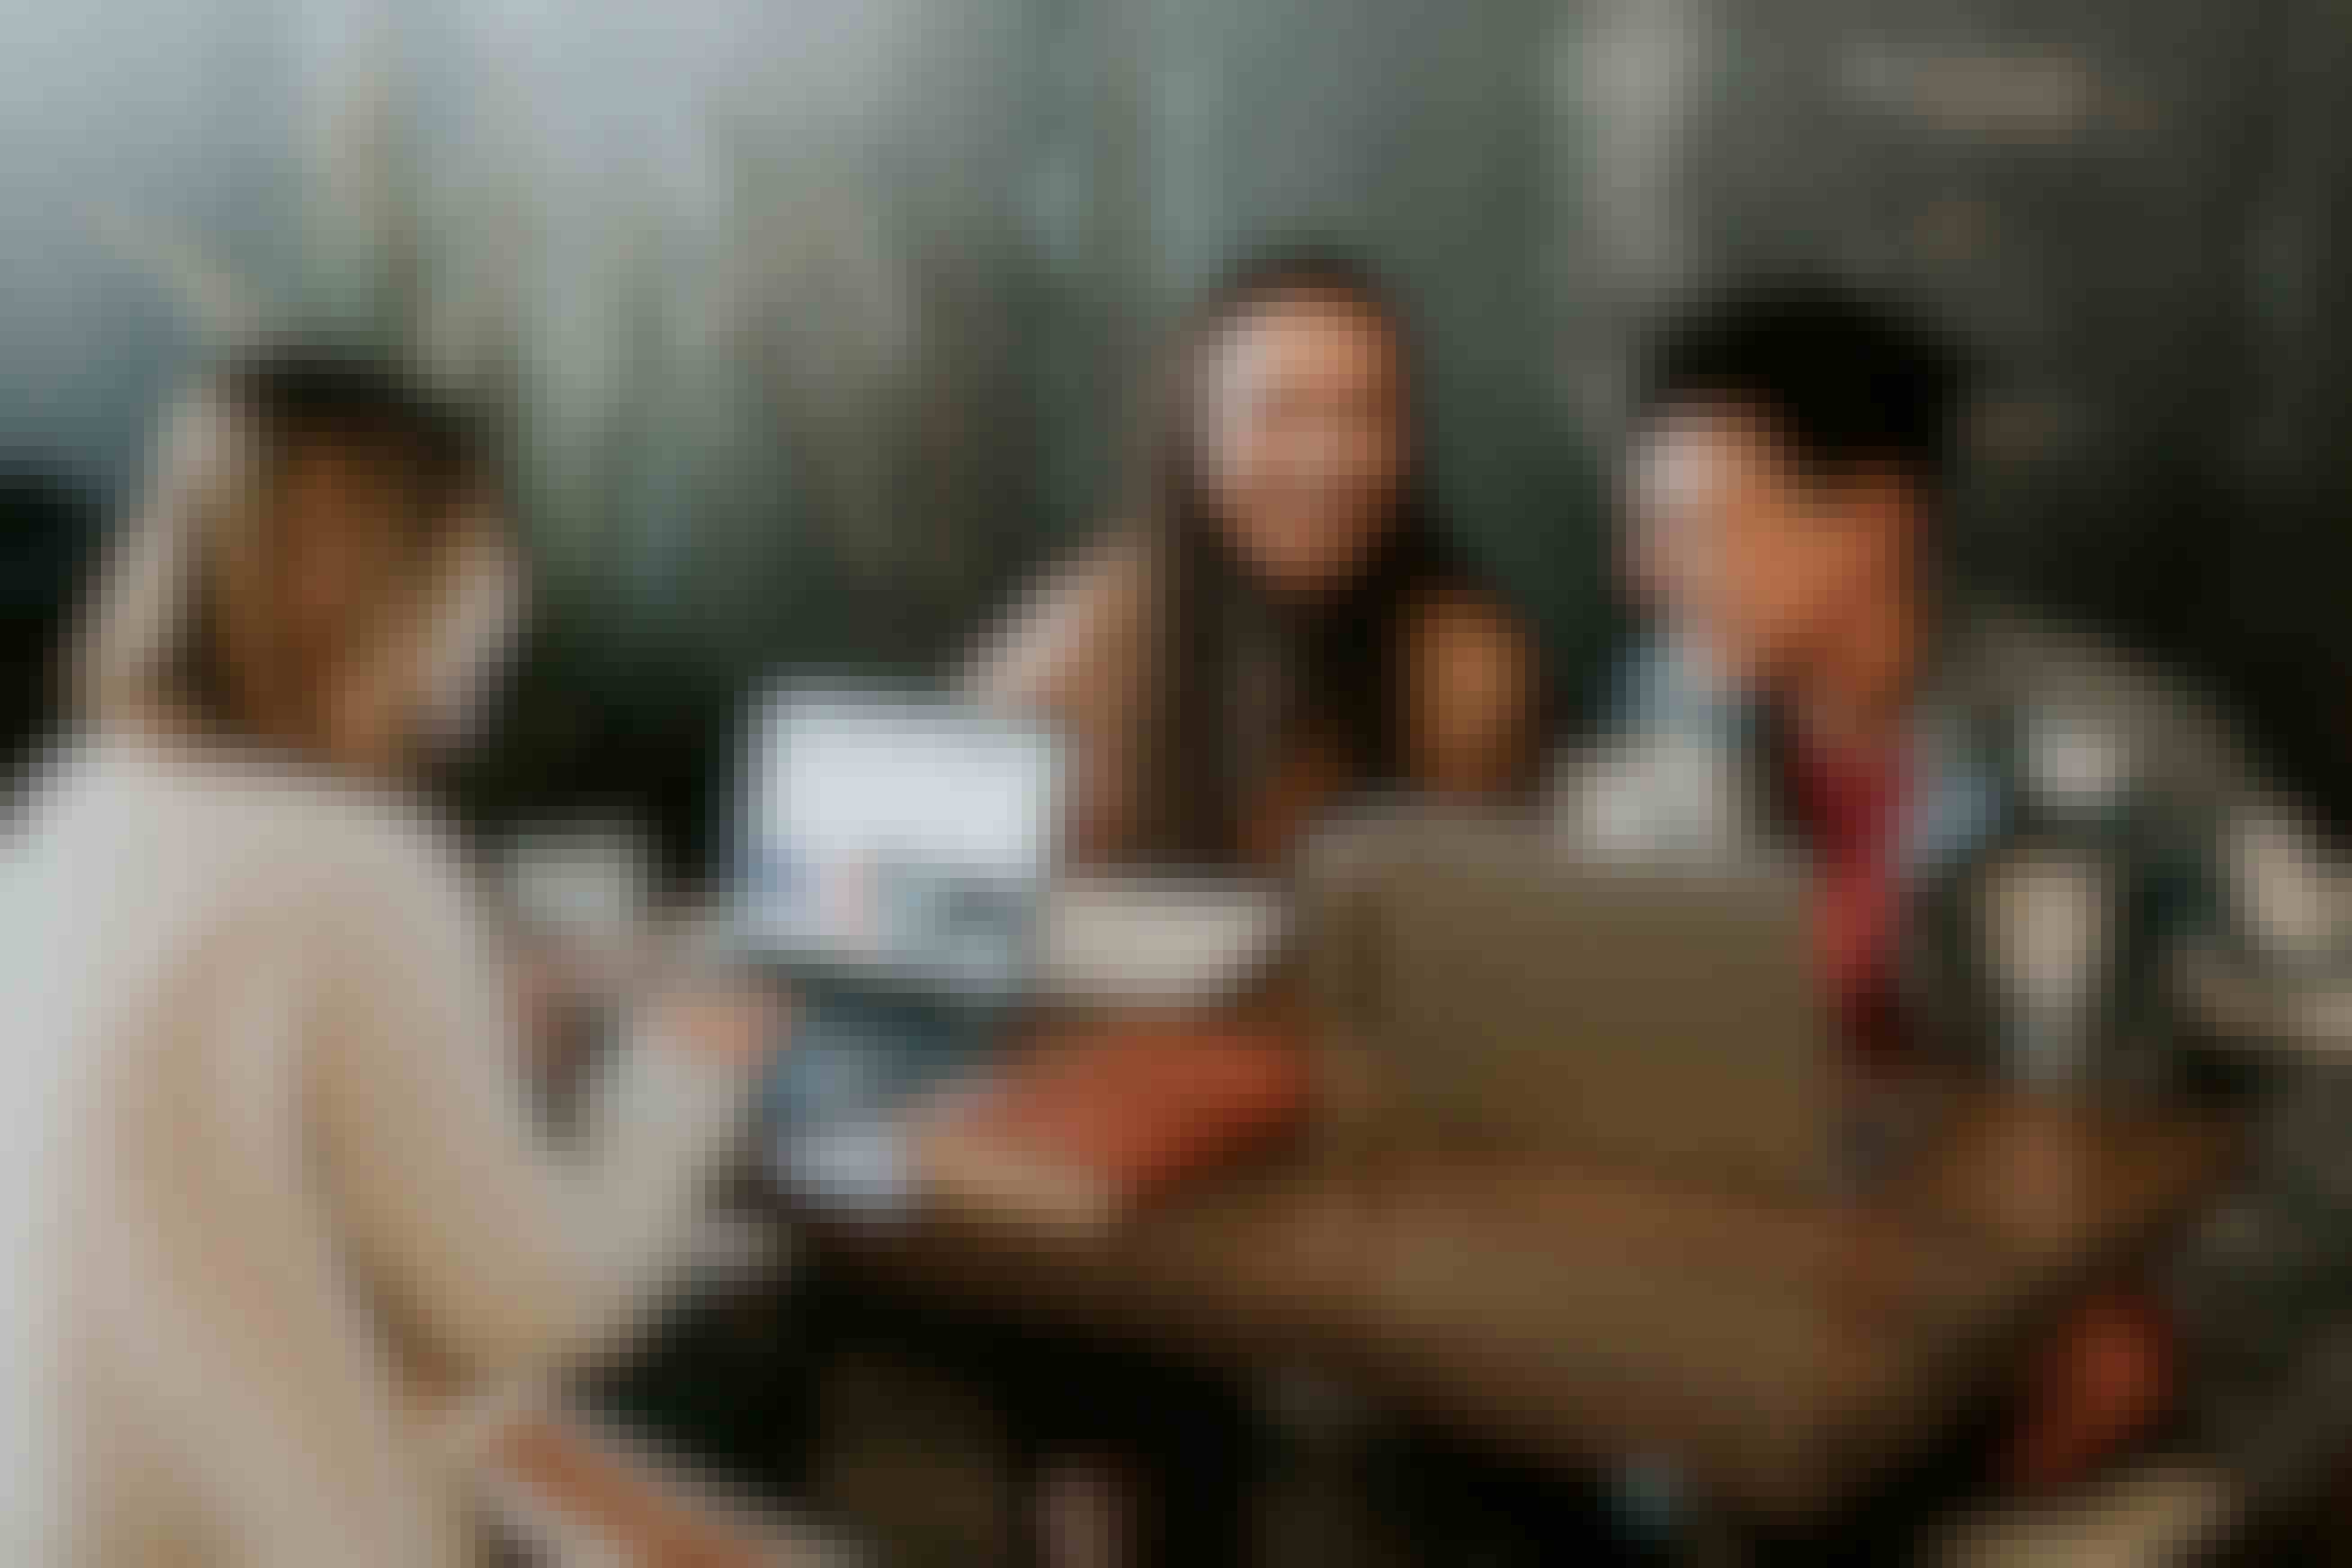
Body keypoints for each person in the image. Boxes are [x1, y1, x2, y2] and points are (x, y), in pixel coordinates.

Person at [1559, 276, 2352, 1558]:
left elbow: (2343, 1056)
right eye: (1644, 529)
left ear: (1874, 522)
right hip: (1768, 1368)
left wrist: (2173, 1319)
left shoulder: (2117, 756)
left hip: (2081, 1396)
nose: (1644, 577)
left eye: (1699, 528)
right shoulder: (1667, 726)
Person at [0, 348, 774, 1567]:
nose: (508, 597)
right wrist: (688, 1063)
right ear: (369, 584)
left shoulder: (80, 802)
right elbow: (542, 1304)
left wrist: (475, 1006)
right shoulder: (354, 863)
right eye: (485, 554)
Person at [971, 246, 1543, 871]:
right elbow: (967, 895)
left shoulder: (1468, 669)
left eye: (1367, 415)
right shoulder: (1071, 652)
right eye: (1279, 413)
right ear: (1196, 437)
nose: (1325, 462)